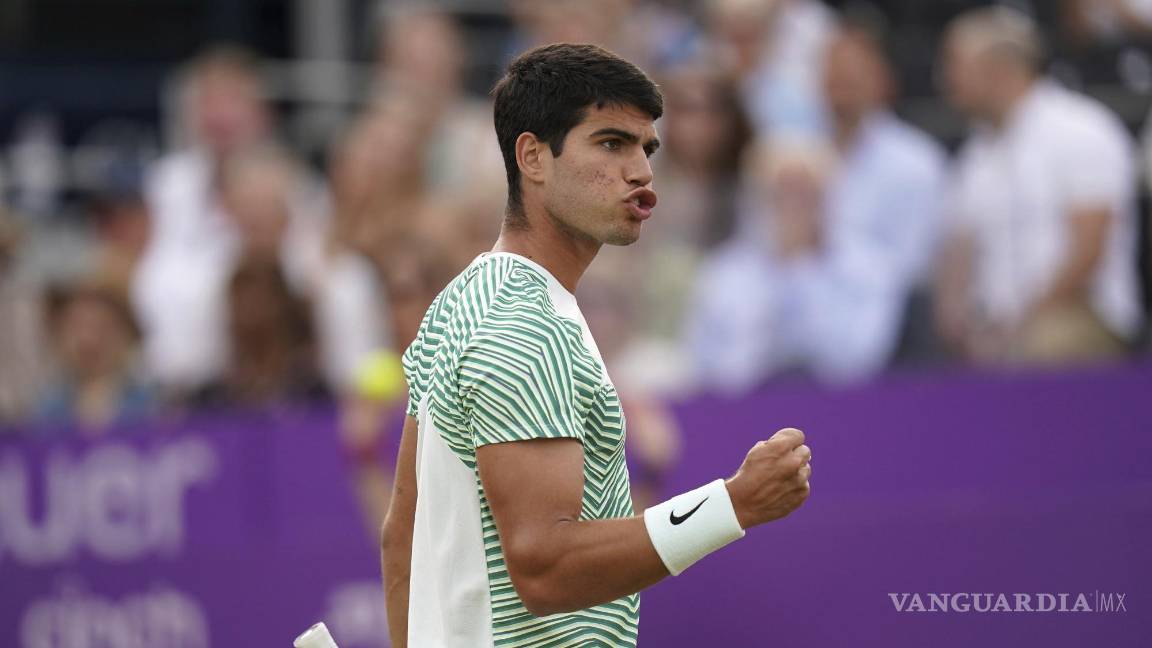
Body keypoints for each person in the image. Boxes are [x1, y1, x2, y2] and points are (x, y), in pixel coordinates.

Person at [381, 44, 813, 647]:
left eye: (646, 149)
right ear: (532, 156)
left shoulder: (462, 300)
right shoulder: (526, 324)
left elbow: (403, 538)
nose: (641, 171)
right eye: (611, 143)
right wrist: (733, 504)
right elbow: (544, 566)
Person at [936, 7, 1142, 365]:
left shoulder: (1082, 129)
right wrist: (955, 320)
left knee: (1044, 342)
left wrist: (1023, 323)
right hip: (999, 328)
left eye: (955, 64)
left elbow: (1089, 250)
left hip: (1080, 316)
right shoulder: (975, 158)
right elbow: (959, 253)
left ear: (998, 68)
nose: (946, 79)